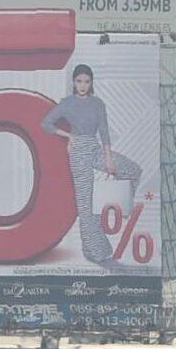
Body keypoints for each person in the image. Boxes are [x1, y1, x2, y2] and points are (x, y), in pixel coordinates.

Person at [41, 64, 145, 267]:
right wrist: (68, 135)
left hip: (95, 147)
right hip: (78, 149)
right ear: (73, 82)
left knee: (132, 170)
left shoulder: (98, 103)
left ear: (91, 83)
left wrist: (107, 157)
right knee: (85, 203)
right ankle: (95, 251)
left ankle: (114, 209)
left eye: (86, 81)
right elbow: (46, 124)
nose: (82, 85)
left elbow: (104, 132)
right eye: (79, 81)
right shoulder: (67, 103)